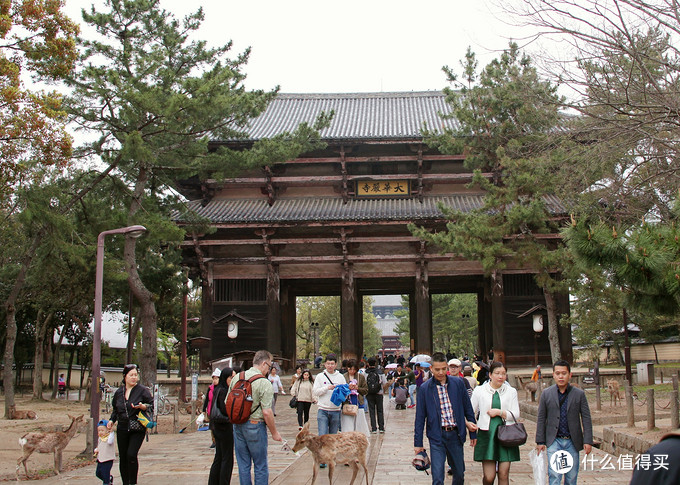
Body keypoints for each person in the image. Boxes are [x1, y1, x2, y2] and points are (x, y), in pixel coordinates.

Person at [414, 352, 478, 485]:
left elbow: (468, 409)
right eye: (437, 369)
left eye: (444, 368)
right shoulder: (425, 389)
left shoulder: (458, 383)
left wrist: (473, 432)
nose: (441, 372)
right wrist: (418, 443)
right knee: (437, 477)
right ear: (431, 369)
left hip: (455, 434)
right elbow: (420, 418)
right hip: (437, 435)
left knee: (459, 474)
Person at [228, 349, 282, 485]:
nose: (269, 370)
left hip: (238, 425)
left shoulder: (237, 378)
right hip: (255, 425)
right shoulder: (264, 383)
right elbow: (267, 412)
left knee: (243, 465)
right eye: (269, 366)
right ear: (264, 364)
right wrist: (274, 433)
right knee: (260, 464)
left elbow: (226, 402)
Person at [536, 360, 593, 485]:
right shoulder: (546, 394)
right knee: (554, 475)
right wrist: (540, 441)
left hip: (572, 440)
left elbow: (586, 418)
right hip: (553, 440)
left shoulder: (579, 394)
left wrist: (588, 440)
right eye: (558, 373)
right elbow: (541, 418)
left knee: (571, 477)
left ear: (570, 375)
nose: (561, 376)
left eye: (564, 373)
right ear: (553, 375)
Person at [470, 361, 520, 485]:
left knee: (504, 474)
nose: (501, 376)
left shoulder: (511, 391)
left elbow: (516, 414)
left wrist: (499, 412)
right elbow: (471, 411)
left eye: (503, 374)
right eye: (497, 373)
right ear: (490, 375)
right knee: (489, 477)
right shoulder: (480, 390)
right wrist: (470, 426)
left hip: (506, 435)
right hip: (487, 435)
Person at [108, 363, 153, 485]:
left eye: (135, 375)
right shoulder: (119, 392)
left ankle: (133, 482)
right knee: (123, 457)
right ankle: (125, 482)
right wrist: (112, 420)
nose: (134, 377)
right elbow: (115, 410)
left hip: (137, 427)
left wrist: (143, 406)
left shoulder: (143, 391)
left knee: (131, 454)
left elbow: (151, 405)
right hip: (122, 427)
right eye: (131, 375)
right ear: (125, 376)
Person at [312, 354, 347, 468]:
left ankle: (331, 458)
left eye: (332, 364)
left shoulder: (340, 377)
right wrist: (327, 388)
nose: (330, 366)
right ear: (325, 364)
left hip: (335, 410)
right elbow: (315, 391)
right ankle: (322, 459)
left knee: (332, 437)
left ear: (336, 364)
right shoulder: (320, 377)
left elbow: (345, 392)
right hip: (323, 409)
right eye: (328, 364)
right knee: (322, 435)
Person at [209, 366, 235, 485]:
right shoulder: (224, 391)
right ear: (226, 378)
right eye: (231, 377)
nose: (233, 379)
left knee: (219, 456)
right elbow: (225, 410)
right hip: (224, 426)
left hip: (216, 426)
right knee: (226, 458)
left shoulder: (217, 389)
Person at [341, 359, 369, 436]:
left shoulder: (361, 377)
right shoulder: (343, 377)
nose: (352, 371)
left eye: (354, 369)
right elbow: (340, 390)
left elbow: (366, 390)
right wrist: (348, 388)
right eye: (350, 369)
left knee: (360, 424)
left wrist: (357, 388)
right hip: (347, 403)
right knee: (347, 424)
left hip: (358, 402)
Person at [365, 357, 386, 433]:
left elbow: (364, 383)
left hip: (369, 393)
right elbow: (384, 382)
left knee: (372, 410)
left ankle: (373, 428)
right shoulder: (380, 372)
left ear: (368, 364)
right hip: (379, 393)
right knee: (380, 410)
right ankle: (381, 427)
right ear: (375, 363)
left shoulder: (366, 372)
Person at [203, 368, 222, 448]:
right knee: (212, 427)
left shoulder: (221, 389)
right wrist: (204, 409)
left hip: (218, 410)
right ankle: (214, 440)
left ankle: (219, 440)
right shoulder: (210, 388)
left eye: (216, 378)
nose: (215, 380)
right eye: (213, 379)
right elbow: (207, 399)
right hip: (211, 409)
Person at [94, 419, 115, 485]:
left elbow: (110, 441)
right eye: (99, 430)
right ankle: (109, 478)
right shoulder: (100, 438)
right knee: (98, 473)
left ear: (107, 430)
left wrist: (111, 432)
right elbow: (99, 445)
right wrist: (96, 449)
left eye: (102, 430)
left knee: (105, 473)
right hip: (100, 459)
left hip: (107, 459)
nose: (100, 432)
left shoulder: (109, 438)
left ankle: (107, 482)